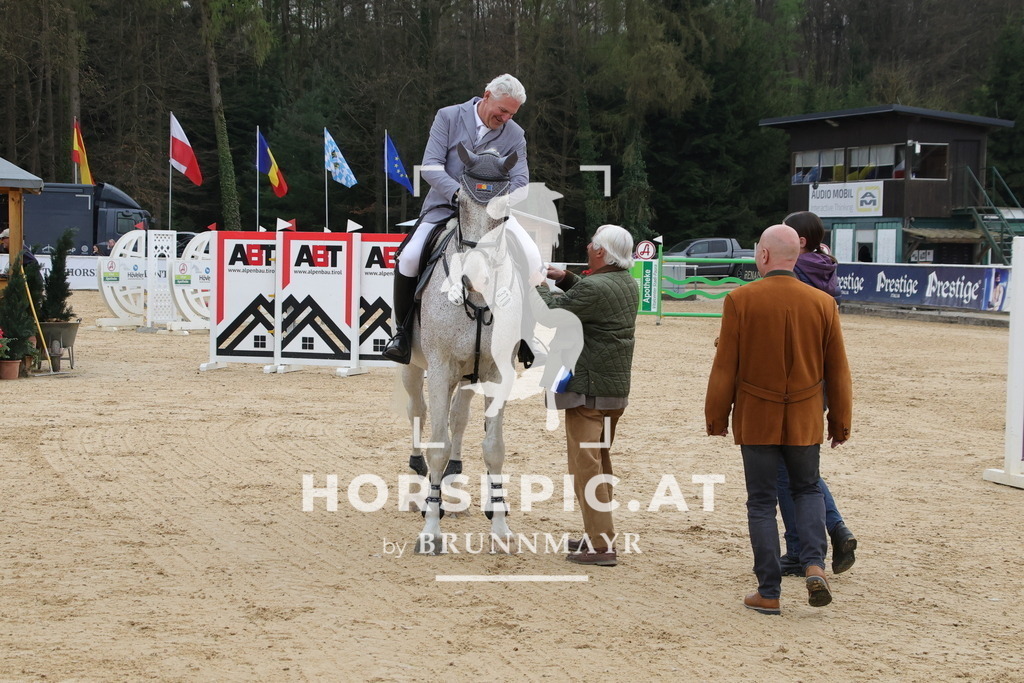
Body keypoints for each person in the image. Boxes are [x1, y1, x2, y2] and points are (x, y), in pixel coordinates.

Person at [705, 224, 852, 615]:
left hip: (756, 417)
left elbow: (725, 368)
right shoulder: (823, 303)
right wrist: (840, 423)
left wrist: (716, 417)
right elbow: (838, 371)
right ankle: (814, 565)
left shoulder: (739, 299)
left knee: (761, 503)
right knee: (807, 491)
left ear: (765, 256)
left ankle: (769, 591)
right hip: (805, 418)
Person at [383, 73, 543, 364]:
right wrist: (460, 195)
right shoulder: (448, 117)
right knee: (408, 257)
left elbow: (521, 182)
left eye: (512, 113)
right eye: (502, 110)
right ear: (486, 96)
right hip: (446, 205)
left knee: (532, 259)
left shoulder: (515, 134)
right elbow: (430, 167)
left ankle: (526, 335)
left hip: (494, 214)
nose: (506, 118)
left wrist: (498, 204)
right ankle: (403, 333)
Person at [537, 225, 639, 567]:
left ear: (600, 252)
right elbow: (594, 296)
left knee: (585, 469)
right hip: (613, 393)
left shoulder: (596, 286)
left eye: (592, 242)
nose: (587, 246)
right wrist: (566, 277)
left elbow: (552, 314)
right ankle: (600, 534)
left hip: (588, 392)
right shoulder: (625, 283)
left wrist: (539, 285)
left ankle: (601, 546)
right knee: (600, 461)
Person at [776, 211, 857, 577]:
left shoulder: (796, 271)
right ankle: (835, 528)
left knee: (785, 469)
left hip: (792, 377)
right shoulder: (826, 268)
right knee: (803, 467)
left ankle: (799, 549)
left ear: (801, 242)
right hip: (819, 376)